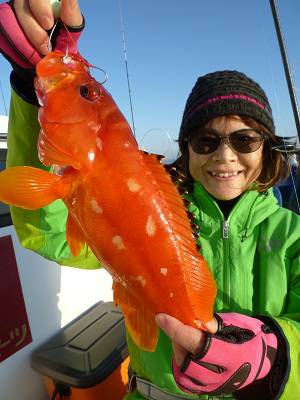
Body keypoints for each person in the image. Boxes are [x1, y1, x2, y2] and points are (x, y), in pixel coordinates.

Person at [1, 1, 299, 399]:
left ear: (267, 149)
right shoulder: (142, 205)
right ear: (187, 149)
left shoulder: (294, 236)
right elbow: (47, 233)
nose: (225, 156)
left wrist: (273, 353)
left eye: (244, 139)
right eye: (205, 141)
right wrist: (28, 87)